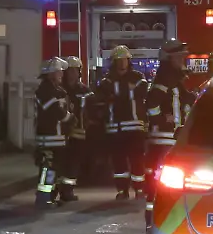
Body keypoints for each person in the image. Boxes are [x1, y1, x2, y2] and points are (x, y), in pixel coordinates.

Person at [144, 39, 196, 226]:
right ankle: (154, 221)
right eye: (179, 57)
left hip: (174, 140)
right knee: (160, 184)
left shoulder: (176, 79)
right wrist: (161, 120)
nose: (183, 60)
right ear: (169, 58)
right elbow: (151, 104)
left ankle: (168, 220)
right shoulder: (165, 79)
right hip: (163, 140)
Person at [94, 45, 149, 201]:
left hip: (134, 127)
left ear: (128, 60)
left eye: (124, 60)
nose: (122, 63)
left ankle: (139, 189)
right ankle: (122, 190)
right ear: (114, 62)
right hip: (115, 128)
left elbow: (142, 92)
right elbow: (102, 97)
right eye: (119, 60)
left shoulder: (138, 77)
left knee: (137, 160)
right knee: (119, 162)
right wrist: (128, 92)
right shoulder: (107, 80)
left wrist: (117, 93)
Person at [33, 57, 73, 208]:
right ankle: (44, 198)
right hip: (47, 139)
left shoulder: (56, 91)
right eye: (58, 72)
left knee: (54, 170)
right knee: (48, 170)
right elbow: (56, 112)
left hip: (56, 139)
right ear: (50, 74)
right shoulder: (44, 91)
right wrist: (70, 118)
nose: (61, 74)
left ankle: (50, 197)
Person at [59, 56, 90, 201]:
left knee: (73, 162)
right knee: (61, 162)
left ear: (79, 72)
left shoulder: (85, 90)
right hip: (61, 132)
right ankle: (58, 190)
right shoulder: (60, 89)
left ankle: (68, 191)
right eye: (69, 70)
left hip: (79, 132)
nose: (72, 73)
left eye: (75, 70)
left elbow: (92, 108)